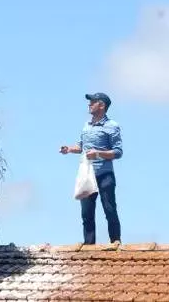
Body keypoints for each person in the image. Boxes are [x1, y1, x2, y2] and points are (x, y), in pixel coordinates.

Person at [60, 92, 123, 245]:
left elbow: (118, 152)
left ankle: (115, 241)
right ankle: (89, 245)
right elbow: (81, 147)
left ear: (102, 105)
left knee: (109, 208)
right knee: (86, 213)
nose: (89, 104)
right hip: (87, 174)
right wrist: (68, 149)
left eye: (93, 102)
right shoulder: (86, 126)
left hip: (104, 173)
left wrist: (98, 153)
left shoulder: (112, 126)